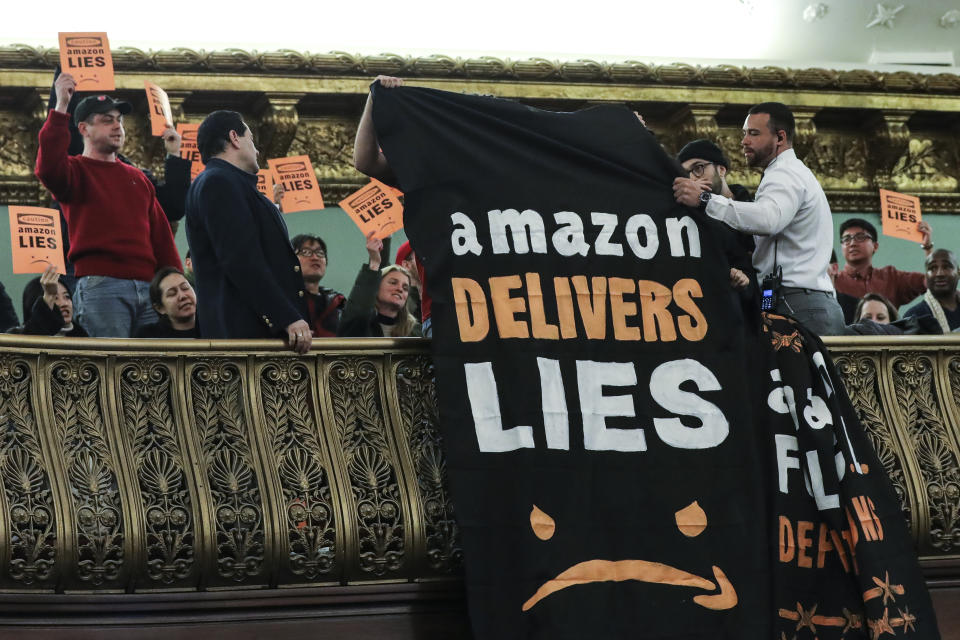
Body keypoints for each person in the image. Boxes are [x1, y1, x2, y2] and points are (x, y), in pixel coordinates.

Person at [673, 102, 844, 335]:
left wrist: (705, 200)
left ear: (780, 138)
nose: (744, 141)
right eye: (744, 133)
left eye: (754, 133)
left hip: (798, 303)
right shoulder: (784, 173)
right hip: (788, 300)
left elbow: (767, 219)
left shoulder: (785, 173)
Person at [35, 73, 182, 338]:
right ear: (84, 129)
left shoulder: (138, 178)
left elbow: (161, 238)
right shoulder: (75, 171)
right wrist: (61, 107)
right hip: (101, 286)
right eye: (106, 121)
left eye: (119, 121)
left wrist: (176, 283)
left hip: (149, 288)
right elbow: (47, 168)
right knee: (110, 371)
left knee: (156, 371)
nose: (117, 127)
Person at [184, 110, 311, 353]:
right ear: (234, 137)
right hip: (244, 332)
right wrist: (285, 316)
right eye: (251, 139)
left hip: (248, 330)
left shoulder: (227, 182)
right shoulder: (219, 182)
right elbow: (241, 259)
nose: (257, 150)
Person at [676, 138, 754, 291]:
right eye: (685, 174)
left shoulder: (753, 206)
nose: (692, 179)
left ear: (721, 170)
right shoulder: (690, 220)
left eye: (698, 168)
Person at [834, 217, 931, 308]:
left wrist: (927, 247)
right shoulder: (832, 281)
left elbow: (931, 282)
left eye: (860, 237)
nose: (852, 243)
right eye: (846, 239)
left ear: (875, 246)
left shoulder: (891, 277)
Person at [338, 231, 421, 338]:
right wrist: (374, 262)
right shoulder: (360, 324)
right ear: (376, 287)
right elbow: (358, 311)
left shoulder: (416, 331)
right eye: (393, 282)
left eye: (405, 288)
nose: (400, 289)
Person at [9, 265, 87, 337]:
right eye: (55, 298)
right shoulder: (14, 341)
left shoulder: (83, 338)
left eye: (67, 296)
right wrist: (49, 295)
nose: (64, 303)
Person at [291, 233, 345, 337]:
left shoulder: (337, 302)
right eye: (306, 252)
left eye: (320, 253)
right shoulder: (284, 301)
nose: (315, 257)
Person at [903, 249, 960, 332]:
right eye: (933, 268)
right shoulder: (914, 317)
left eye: (946, 267)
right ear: (926, 276)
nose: (939, 273)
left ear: (958, 272)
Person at [135, 267, 199, 338]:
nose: (182, 296)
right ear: (159, 308)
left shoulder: (211, 325)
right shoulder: (147, 336)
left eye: (185, 288)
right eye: (172, 293)